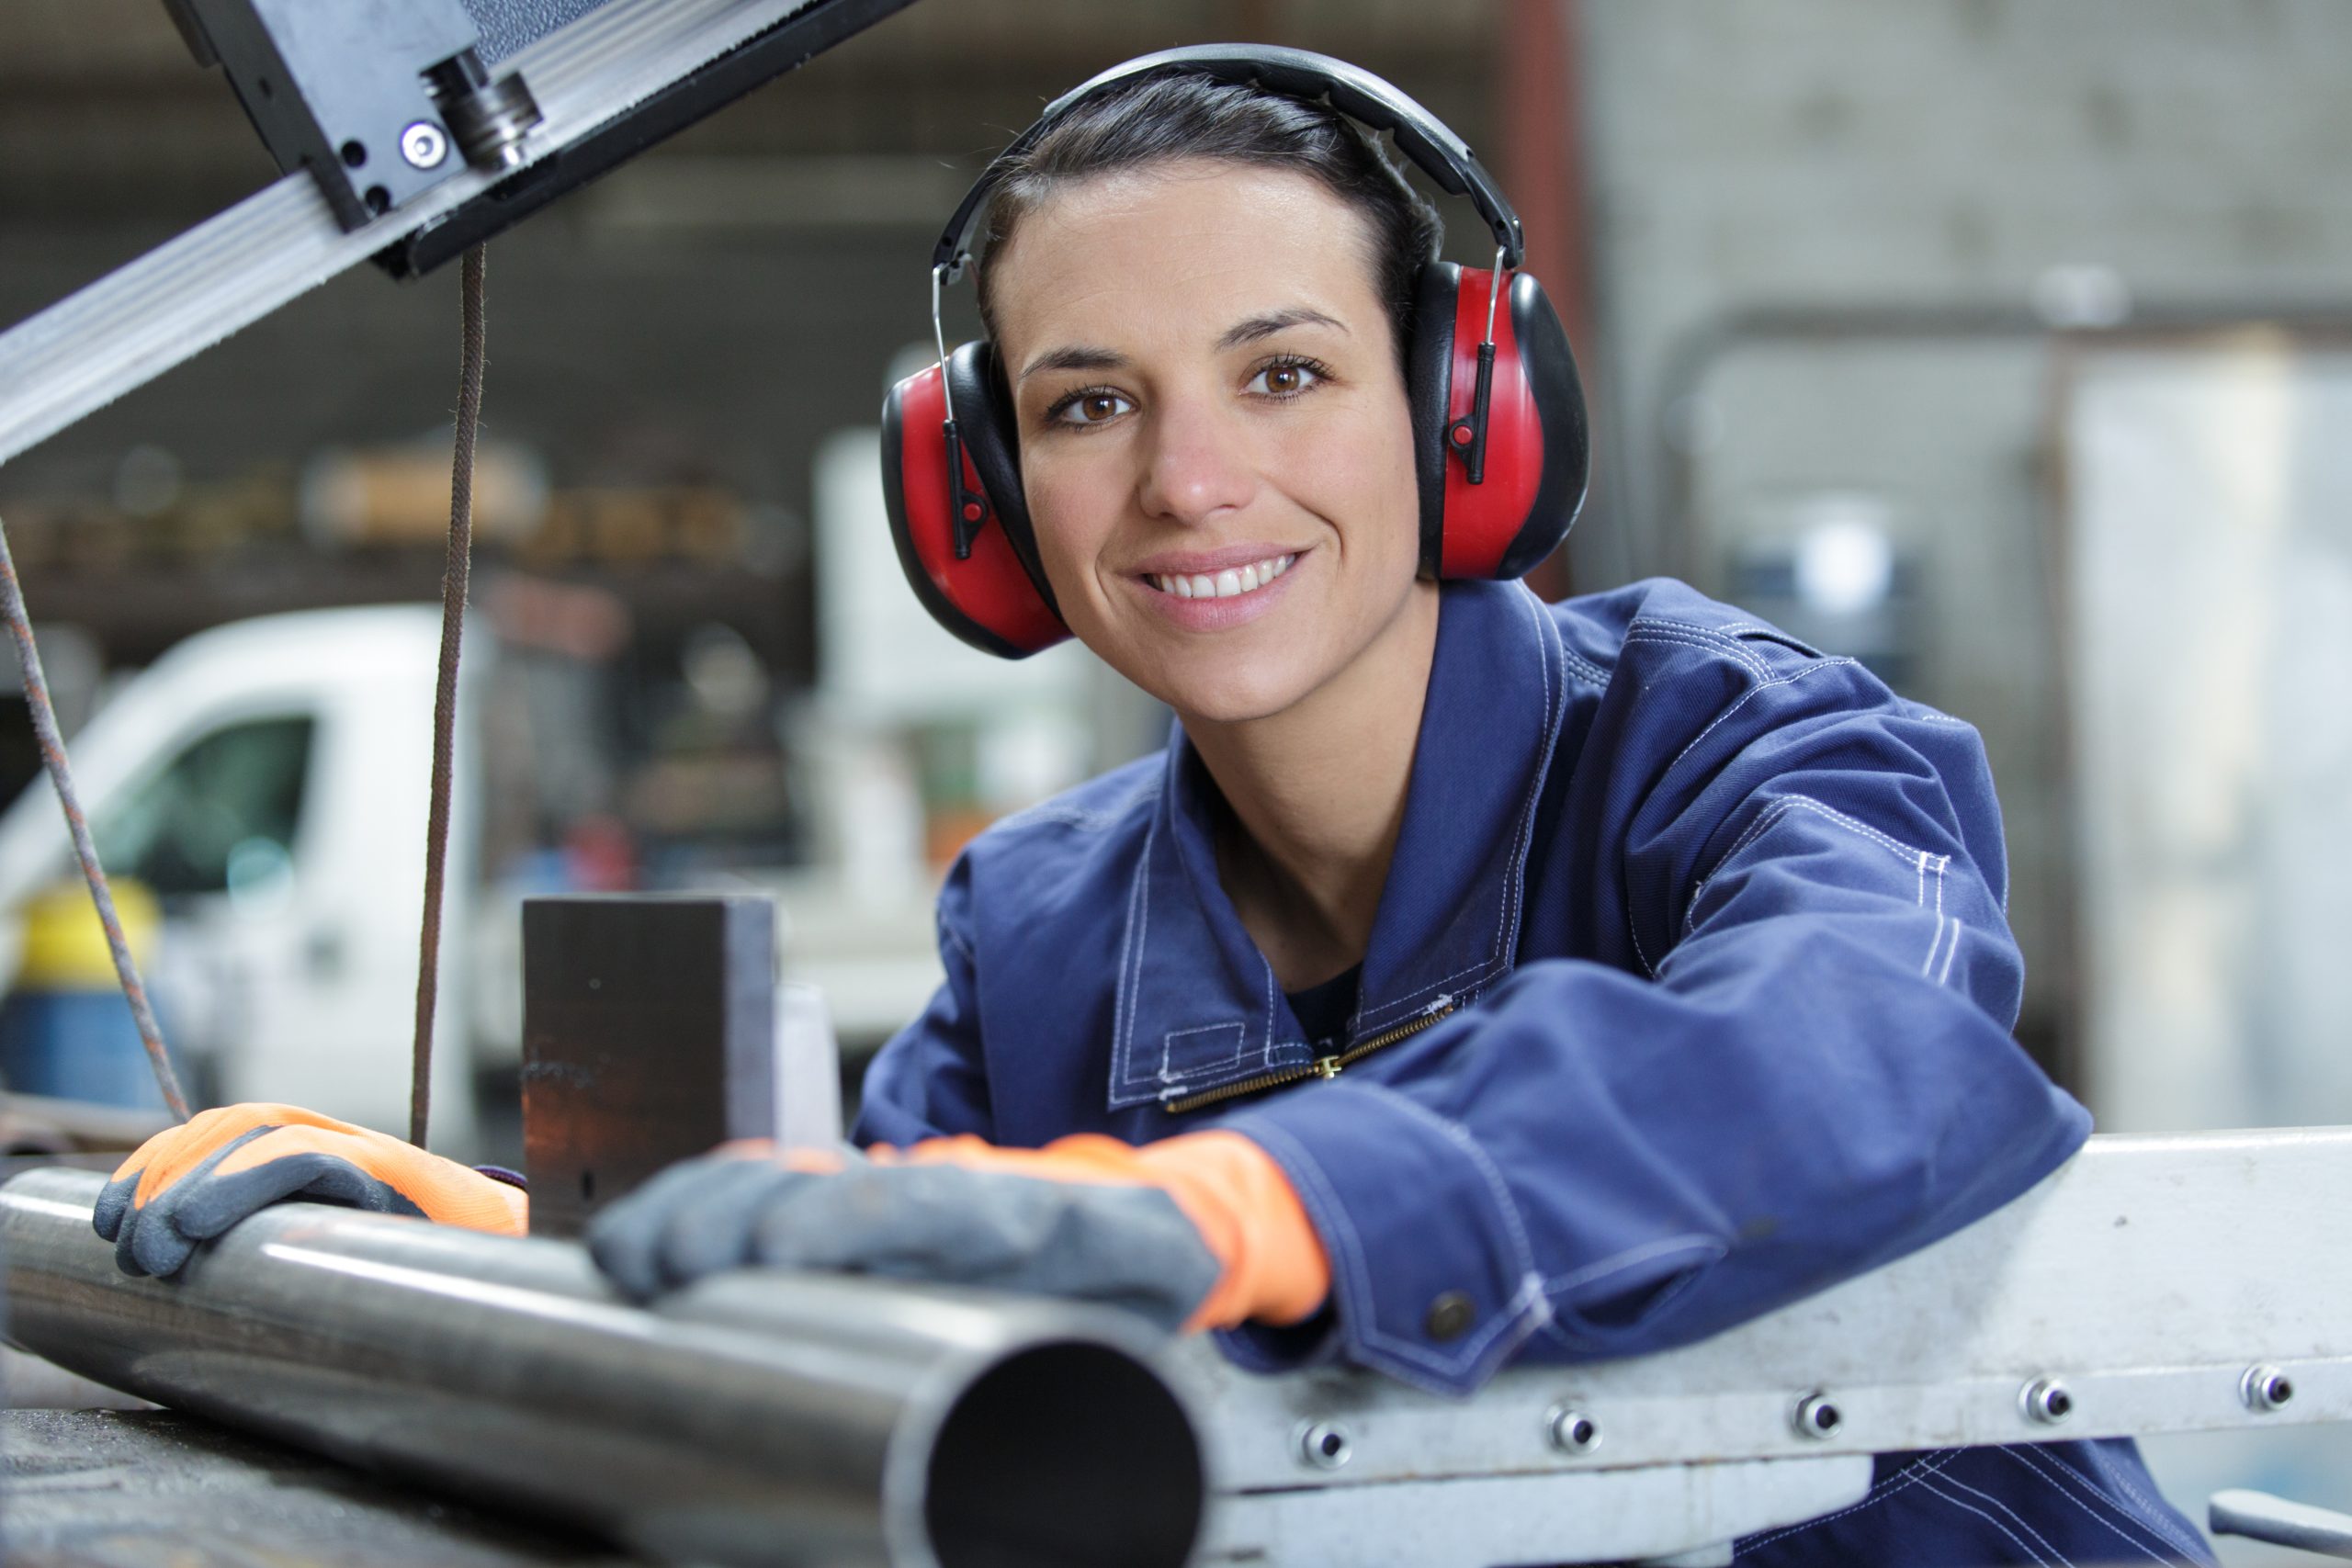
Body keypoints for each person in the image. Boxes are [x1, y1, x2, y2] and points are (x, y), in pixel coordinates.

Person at [97, 48, 2212, 1565]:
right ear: (984, 499)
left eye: (1282, 371)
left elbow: (1847, 1052)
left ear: (1459, 412)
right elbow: (874, 1296)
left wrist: (1240, 1207)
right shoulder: (1034, 925)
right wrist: (503, 1246)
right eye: (1088, 404)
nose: (1187, 481)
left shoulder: (1740, 746)